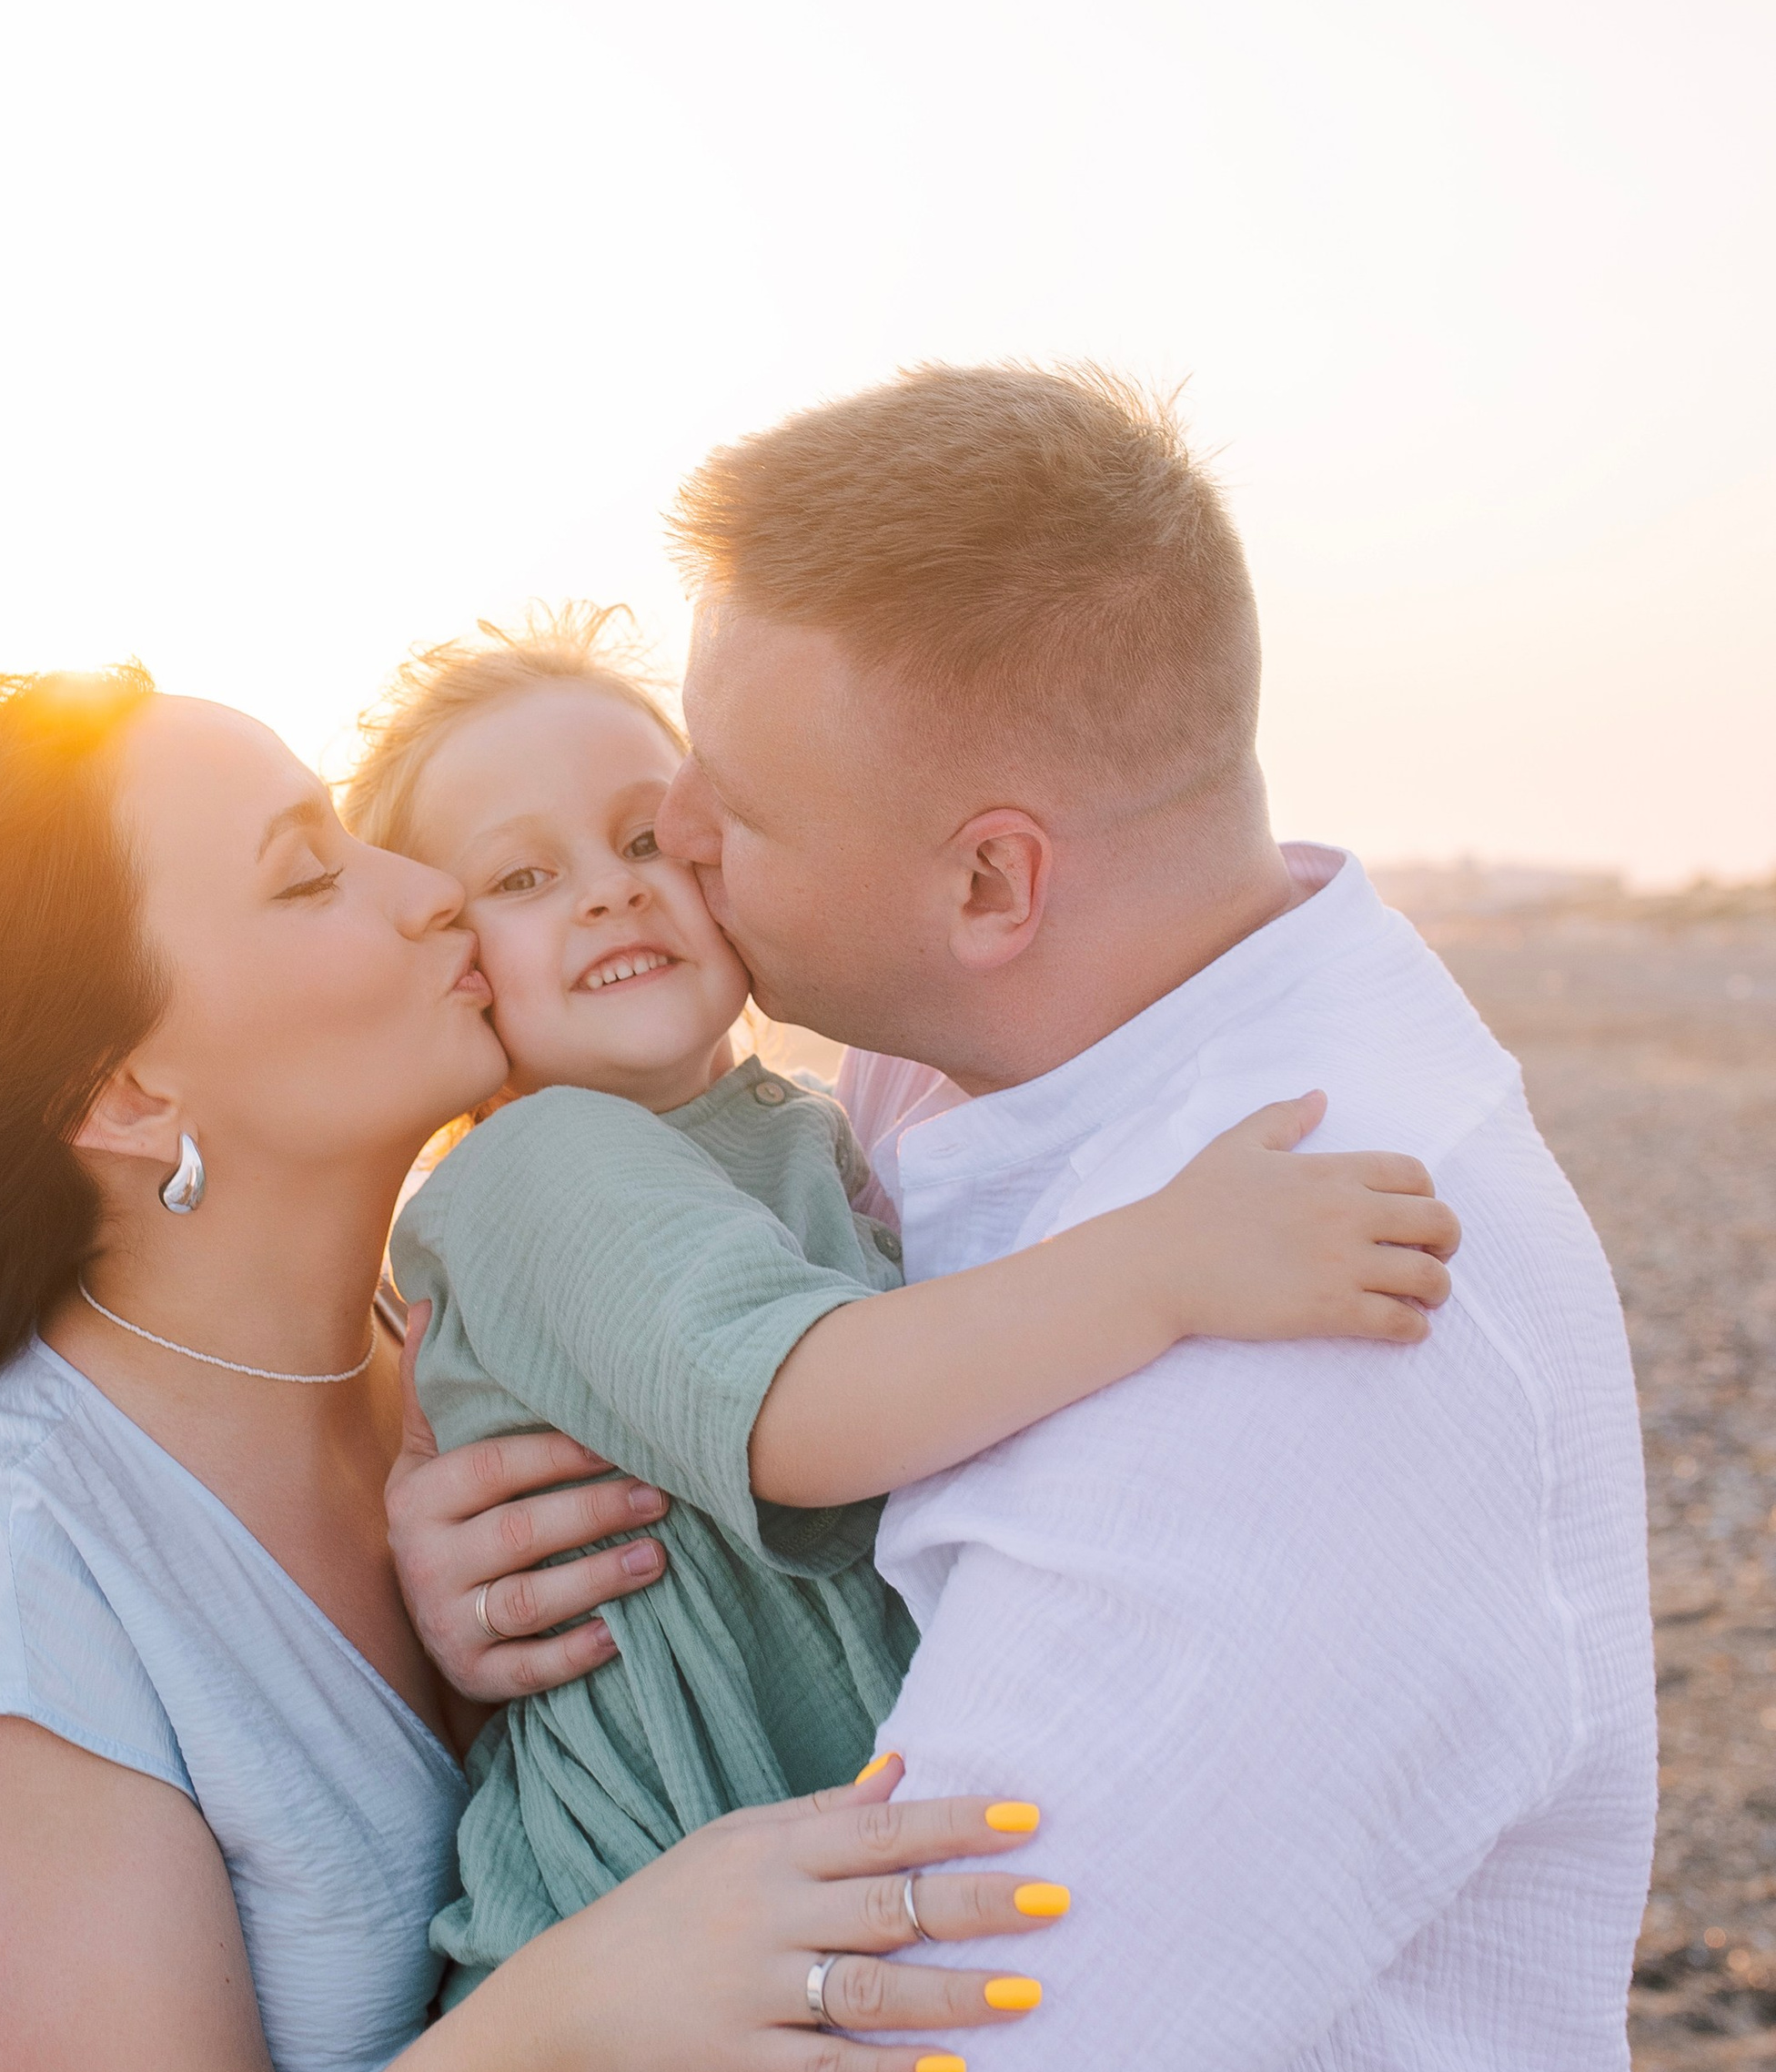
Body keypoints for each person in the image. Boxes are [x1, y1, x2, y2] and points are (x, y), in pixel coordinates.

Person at [0, 665, 1056, 2072]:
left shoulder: (486, 1348)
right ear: (128, 1094)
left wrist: (476, 1684)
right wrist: (586, 2000)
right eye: (311, 876)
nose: (433, 893)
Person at [643, 363, 1659, 2067]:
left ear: (991, 884)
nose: (665, 836)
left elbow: (935, 2031)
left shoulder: (1302, 1337)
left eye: (730, 809)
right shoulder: (996, 1056)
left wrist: (532, 2020)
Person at [338, 605, 1459, 2010]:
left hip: (780, 1917)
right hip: (625, 1932)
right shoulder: (539, 1161)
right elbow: (808, 1410)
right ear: (444, 959)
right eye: (520, 876)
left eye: (644, 842)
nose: (612, 894)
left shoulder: (795, 1127)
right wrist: (1164, 1264)